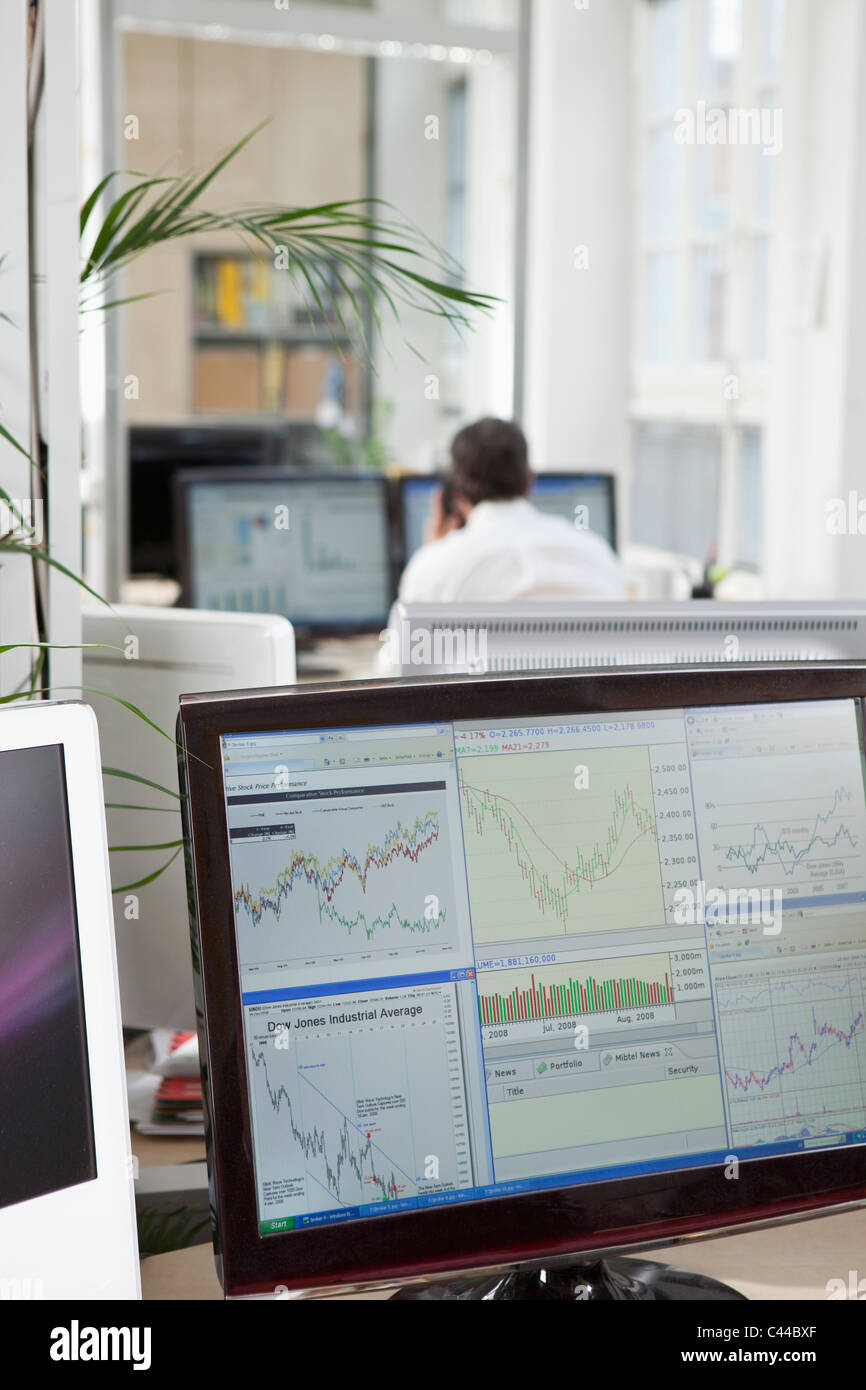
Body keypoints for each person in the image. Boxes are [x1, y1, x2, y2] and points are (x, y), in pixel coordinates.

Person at [397, 417, 626, 603]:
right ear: (530, 483)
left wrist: (434, 551)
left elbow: (399, 659)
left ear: (456, 494)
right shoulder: (598, 556)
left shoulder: (432, 569)